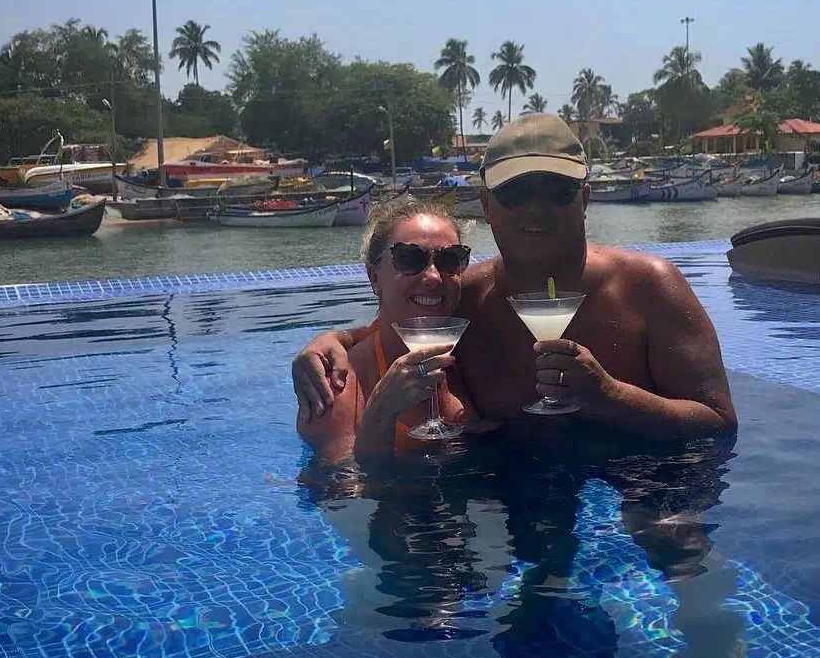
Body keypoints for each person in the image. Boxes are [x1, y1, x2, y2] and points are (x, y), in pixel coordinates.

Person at [295, 113, 737, 440]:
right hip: (508, 500)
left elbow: (719, 422)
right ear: (486, 205)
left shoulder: (650, 287)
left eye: (557, 191)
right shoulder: (467, 298)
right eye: (515, 192)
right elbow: (399, 322)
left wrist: (609, 396)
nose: (536, 208)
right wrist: (332, 341)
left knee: (677, 552)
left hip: (646, 485)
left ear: (584, 198)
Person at [296, 197, 490, 462]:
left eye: (450, 259)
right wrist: (381, 412)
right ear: (374, 277)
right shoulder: (337, 387)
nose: (433, 277)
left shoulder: (472, 348)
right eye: (410, 258)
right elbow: (339, 495)